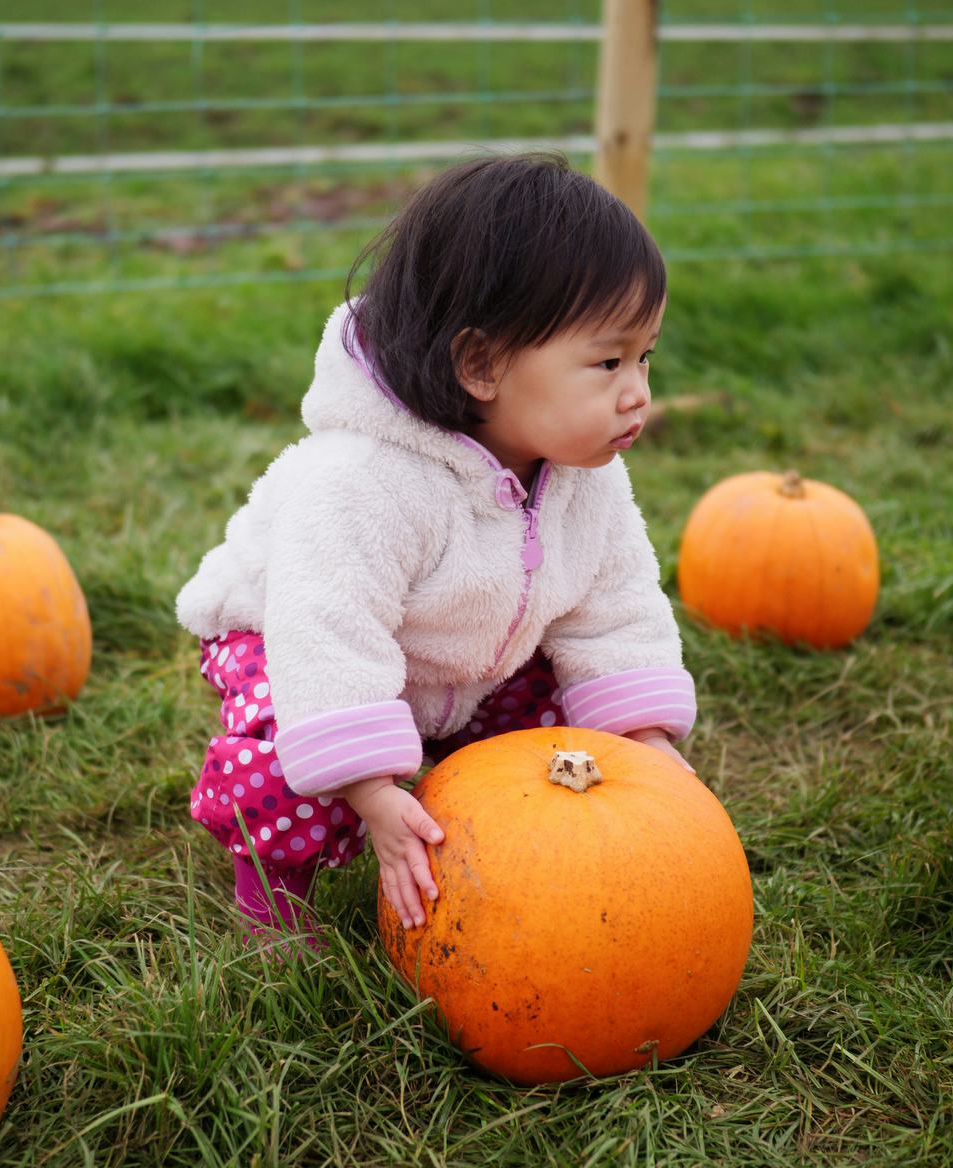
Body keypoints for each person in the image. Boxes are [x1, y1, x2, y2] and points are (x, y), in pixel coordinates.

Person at [175, 152, 697, 945]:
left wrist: (644, 737)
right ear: (481, 364)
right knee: (291, 766)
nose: (638, 392)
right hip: (290, 644)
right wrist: (374, 793)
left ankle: (505, 837)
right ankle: (274, 900)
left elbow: (614, 610)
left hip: (459, 660)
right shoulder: (362, 484)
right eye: (607, 362)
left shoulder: (589, 483)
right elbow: (327, 633)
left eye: (645, 357)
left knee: (566, 734)